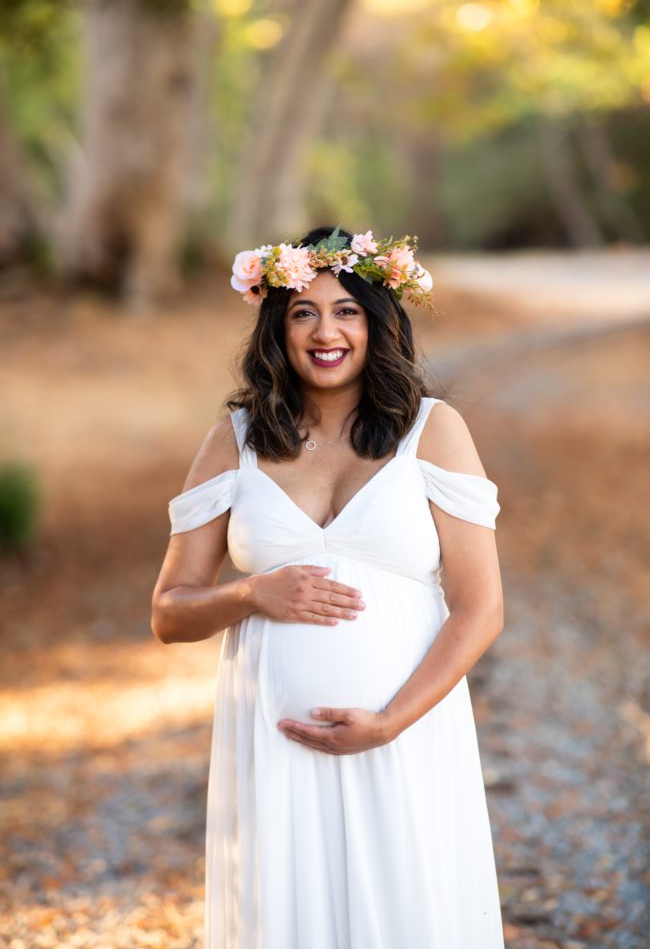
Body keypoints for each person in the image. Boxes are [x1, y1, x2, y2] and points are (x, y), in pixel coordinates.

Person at [151, 224, 506, 948]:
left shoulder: (432, 431)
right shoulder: (236, 438)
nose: (324, 330)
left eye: (345, 310)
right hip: (273, 745)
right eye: (301, 312)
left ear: (378, 324)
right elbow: (169, 612)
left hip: (403, 734)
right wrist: (250, 594)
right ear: (276, 331)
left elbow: (479, 607)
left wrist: (389, 722)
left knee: (407, 912)